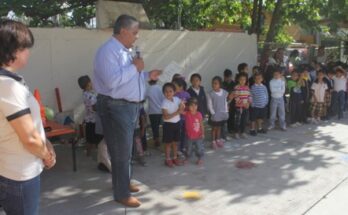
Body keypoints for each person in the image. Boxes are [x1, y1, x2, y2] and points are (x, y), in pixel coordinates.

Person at [93, 14, 161, 208]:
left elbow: (129, 78)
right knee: (120, 151)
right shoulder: (108, 51)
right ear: (123, 31)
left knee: (126, 149)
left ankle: (123, 182)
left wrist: (147, 75)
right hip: (116, 106)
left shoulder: (125, 51)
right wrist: (135, 67)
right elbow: (112, 82)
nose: (137, 36)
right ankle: (121, 193)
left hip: (129, 107)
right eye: (134, 32)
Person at [0, 19, 56, 214]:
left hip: (13, 170)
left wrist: (46, 143)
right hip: (19, 174)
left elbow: (31, 127)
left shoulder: (9, 82)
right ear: (13, 50)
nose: (28, 53)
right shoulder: (7, 86)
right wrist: (47, 156)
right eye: (25, 48)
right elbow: (30, 139)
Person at [77, 75, 103, 156]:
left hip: (89, 119)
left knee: (90, 138)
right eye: (90, 82)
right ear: (88, 84)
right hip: (94, 120)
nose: (92, 83)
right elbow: (95, 107)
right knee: (98, 138)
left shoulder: (86, 93)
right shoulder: (90, 95)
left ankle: (88, 153)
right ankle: (101, 154)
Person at [161, 83, 185, 167]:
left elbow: (182, 108)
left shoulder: (177, 99)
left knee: (175, 143)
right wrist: (178, 112)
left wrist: (182, 104)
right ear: (163, 93)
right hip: (168, 125)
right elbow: (166, 117)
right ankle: (167, 159)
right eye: (166, 91)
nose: (168, 93)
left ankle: (175, 158)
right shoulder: (164, 103)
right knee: (168, 144)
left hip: (177, 124)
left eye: (170, 91)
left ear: (174, 92)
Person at [207, 76, 230, 149]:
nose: (214, 85)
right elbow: (209, 105)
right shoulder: (210, 94)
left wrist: (226, 111)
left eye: (215, 83)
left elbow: (225, 102)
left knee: (219, 127)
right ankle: (213, 141)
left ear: (220, 84)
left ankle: (218, 139)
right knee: (214, 128)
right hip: (215, 115)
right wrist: (213, 113)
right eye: (213, 83)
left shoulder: (224, 92)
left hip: (221, 114)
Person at [184, 98, 205, 165]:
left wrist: (203, 133)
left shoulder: (199, 114)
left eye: (195, 105)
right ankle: (187, 157)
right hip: (189, 136)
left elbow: (201, 124)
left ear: (197, 106)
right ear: (188, 107)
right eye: (191, 105)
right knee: (188, 148)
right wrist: (182, 104)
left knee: (199, 148)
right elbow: (180, 111)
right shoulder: (187, 113)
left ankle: (200, 158)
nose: (193, 107)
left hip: (198, 136)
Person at [172, 78, 190, 155]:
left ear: (181, 87)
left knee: (185, 133)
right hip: (177, 118)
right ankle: (178, 149)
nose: (173, 88)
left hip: (185, 118)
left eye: (174, 86)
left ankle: (183, 147)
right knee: (177, 134)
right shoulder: (173, 95)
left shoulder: (187, 94)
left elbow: (190, 105)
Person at [233, 73, 252, 139]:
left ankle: (243, 132)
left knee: (244, 120)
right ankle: (236, 132)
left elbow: (249, 96)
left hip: (246, 107)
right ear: (238, 80)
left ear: (246, 80)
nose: (242, 81)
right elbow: (236, 97)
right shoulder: (236, 87)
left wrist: (249, 103)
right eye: (241, 79)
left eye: (244, 79)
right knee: (237, 120)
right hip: (239, 107)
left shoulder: (247, 88)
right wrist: (243, 104)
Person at [146, 80, 164, 148]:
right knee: (163, 126)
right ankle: (164, 140)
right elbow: (163, 99)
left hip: (152, 111)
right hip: (161, 111)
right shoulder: (160, 88)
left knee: (154, 127)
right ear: (157, 80)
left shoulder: (148, 89)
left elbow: (144, 98)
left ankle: (156, 140)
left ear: (149, 82)